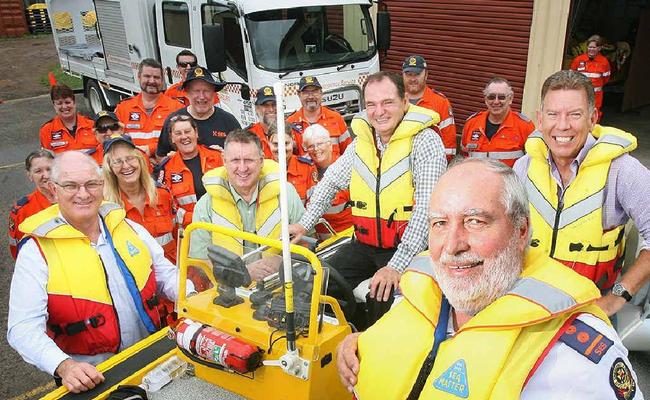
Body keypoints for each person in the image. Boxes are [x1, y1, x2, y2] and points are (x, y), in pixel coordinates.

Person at [337, 158, 642, 399]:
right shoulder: (419, 291)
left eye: (475, 221)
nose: (452, 245)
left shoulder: (575, 361)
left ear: (521, 231)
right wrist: (362, 344)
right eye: (440, 223)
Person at [7, 151, 194, 394]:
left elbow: (166, 275)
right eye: (71, 186)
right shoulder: (36, 252)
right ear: (54, 190)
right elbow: (22, 328)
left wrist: (191, 298)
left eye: (91, 184)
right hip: (93, 376)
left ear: (102, 186)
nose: (83, 194)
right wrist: (64, 366)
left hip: (151, 358)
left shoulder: (128, 227)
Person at [289, 71, 446, 303]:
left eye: (387, 102)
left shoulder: (425, 141)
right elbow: (331, 181)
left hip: (408, 250)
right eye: (371, 104)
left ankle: (367, 338)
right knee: (319, 282)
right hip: (363, 244)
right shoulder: (362, 142)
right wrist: (304, 224)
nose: (379, 111)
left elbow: (426, 209)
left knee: (381, 299)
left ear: (404, 102)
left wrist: (395, 266)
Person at [514, 70, 650, 317]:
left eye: (574, 114)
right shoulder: (523, 167)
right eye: (553, 114)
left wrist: (617, 298)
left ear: (592, 118)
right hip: (528, 299)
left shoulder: (622, 171)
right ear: (540, 119)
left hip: (591, 308)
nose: (563, 125)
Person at [189, 130, 305, 281]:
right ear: (224, 161)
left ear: (262, 160)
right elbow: (200, 264)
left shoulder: (285, 193)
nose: (242, 168)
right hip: (229, 296)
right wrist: (241, 273)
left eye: (249, 160)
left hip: (282, 289)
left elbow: (305, 242)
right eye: (235, 160)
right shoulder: (205, 206)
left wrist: (282, 262)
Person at [102, 135, 178, 263]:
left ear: (140, 161)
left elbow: (178, 234)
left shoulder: (162, 194)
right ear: (110, 168)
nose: (126, 166)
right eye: (117, 161)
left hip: (171, 273)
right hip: (138, 278)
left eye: (130, 158)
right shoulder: (106, 207)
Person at [156, 66, 241, 159]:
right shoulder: (173, 121)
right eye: (196, 91)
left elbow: (241, 155)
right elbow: (161, 156)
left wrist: (225, 157)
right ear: (187, 93)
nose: (201, 96)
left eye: (206, 91)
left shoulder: (229, 121)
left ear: (214, 93)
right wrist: (175, 159)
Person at [157, 115, 223, 228]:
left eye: (187, 131)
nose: (184, 137)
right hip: (190, 230)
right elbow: (169, 208)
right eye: (178, 133)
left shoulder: (217, 157)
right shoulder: (167, 168)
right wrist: (197, 219)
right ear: (172, 138)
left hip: (223, 225)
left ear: (196, 133)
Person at [461, 77, 535, 167]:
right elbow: (463, 159)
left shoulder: (525, 126)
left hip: (509, 180)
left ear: (510, 99)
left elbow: (533, 163)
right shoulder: (471, 123)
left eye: (501, 97)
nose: (496, 102)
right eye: (491, 97)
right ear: (485, 99)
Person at [114, 58, 182, 157]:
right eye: (147, 76)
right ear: (139, 77)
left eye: (156, 77)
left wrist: (151, 149)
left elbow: (182, 140)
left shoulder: (176, 107)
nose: (152, 81)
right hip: (133, 165)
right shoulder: (123, 108)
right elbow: (116, 140)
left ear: (162, 80)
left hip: (164, 165)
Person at [402, 55, 457, 160]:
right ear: (403, 75)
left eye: (417, 74)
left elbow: (449, 146)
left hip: (430, 166)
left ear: (426, 75)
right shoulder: (395, 100)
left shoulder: (440, 102)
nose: (413, 79)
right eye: (409, 74)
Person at [302, 124, 352, 235]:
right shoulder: (306, 171)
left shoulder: (345, 168)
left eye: (319, 144)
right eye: (310, 146)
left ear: (330, 145)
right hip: (318, 239)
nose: (316, 149)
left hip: (346, 235)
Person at [286, 76, 351, 157]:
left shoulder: (336, 118)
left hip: (335, 168)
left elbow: (348, 153)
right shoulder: (290, 122)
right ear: (299, 95)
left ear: (321, 93)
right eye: (306, 92)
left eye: (315, 91)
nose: (310, 96)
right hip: (306, 169)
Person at [8, 149, 55, 259]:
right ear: (30, 176)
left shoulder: (75, 199)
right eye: (38, 171)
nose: (46, 175)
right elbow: (17, 249)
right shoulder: (22, 211)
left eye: (50, 169)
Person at [268, 122, 318, 203]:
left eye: (286, 143)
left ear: (293, 142)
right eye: (275, 144)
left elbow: (314, 203)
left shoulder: (307, 168)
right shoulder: (262, 169)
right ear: (268, 143)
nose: (281, 148)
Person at [39, 84, 96, 153]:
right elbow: (46, 161)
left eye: (67, 102)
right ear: (54, 105)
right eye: (59, 103)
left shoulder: (92, 125)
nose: (64, 106)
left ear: (74, 103)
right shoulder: (46, 130)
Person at [571, 34, 611, 121]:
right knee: (578, 113)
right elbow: (571, 76)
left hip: (596, 96)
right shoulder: (578, 60)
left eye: (594, 47)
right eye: (589, 47)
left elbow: (606, 79)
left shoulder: (604, 62)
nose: (591, 49)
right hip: (580, 94)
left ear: (599, 48)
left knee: (594, 114)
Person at [247, 85, 276, 158]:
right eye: (266, 105)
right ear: (257, 108)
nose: (271, 109)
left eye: (274, 104)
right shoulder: (248, 135)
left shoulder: (290, 131)